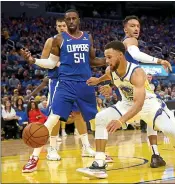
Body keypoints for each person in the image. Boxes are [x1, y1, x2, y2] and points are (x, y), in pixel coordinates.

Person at [77, 41, 175, 179]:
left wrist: (121, 120)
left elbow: (139, 104)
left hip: (149, 104)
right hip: (126, 104)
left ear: (120, 55)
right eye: (106, 57)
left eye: (109, 57)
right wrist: (98, 81)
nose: (106, 61)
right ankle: (99, 163)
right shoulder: (109, 70)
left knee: (172, 131)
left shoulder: (137, 72)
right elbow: (110, 77)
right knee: (101, 117)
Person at [20, 9, 106, 172]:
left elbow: (93, 60)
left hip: (85, 83)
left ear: (79, 20)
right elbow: (51, 63)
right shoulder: (59, 39)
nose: (71, 21)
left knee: (96, 120)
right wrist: (33, 60)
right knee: (52, 119)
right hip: (65, 84)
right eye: (68, 19)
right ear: (65, 22)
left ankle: (100, 153)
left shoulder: (88, 37)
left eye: (74, 18)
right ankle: (34, 158)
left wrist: (109, 61)